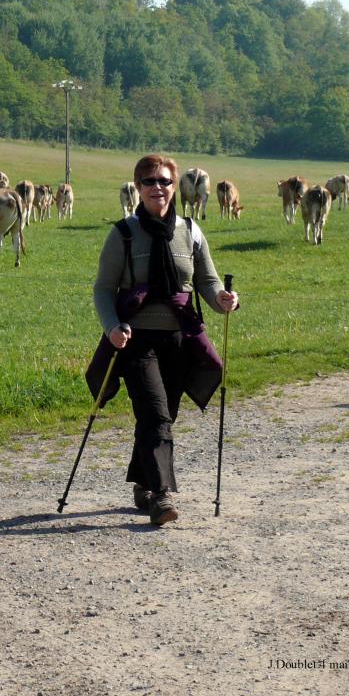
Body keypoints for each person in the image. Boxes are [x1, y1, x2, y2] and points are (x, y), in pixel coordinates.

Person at [92, 154, 238, 526]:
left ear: (175, 187)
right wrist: (112, 327)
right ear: (138, 188)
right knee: (156, 413)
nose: (159, 188)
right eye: (150, 182)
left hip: (179, 338)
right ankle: (161, 496)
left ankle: (143, 480)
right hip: (135, 340)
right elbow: (104, 289)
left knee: (164, 415)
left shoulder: (190, 230)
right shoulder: (123, 234)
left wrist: (223, 300)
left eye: (165, 182)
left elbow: (206, 281)